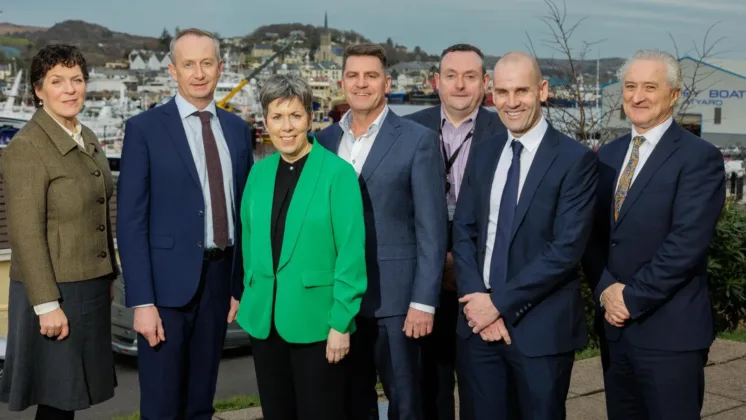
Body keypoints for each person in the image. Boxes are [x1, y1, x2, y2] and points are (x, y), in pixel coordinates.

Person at [116, 28, 254, 419]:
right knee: (161, 405)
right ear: (173, 71)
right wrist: (142, 301)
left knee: (200, 402)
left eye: (206, 63)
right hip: (164, 292)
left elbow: (244, 214)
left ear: (220, 68)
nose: (198, 72)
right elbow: (130, 221)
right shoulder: (144, 129)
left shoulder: (237, 130)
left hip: (219, 283)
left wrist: (239, 284)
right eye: (188, 64)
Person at [452, 52, 598, 420]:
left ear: (543, 90)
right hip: (477, 330)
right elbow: (464, 231)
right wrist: (477, 306)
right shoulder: (484, 154)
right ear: (491, 92)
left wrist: (496, 304)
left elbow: (565, 250)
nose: (511, 102)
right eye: (502, 92)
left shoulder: (575, 160)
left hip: (540, 331)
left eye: (522, 91)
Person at [583, 50, 725, 420]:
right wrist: (605, 289)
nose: (637, 96)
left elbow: (686, 244)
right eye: (630, 86)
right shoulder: (607, 156)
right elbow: (591, 235)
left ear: (674, 95)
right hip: (615, 330)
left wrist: (631, 297)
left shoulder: (699, 158)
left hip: (670, 334)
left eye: (650, 87)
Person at [315, 43, 448, 420]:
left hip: (397, 302)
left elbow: (432, 229)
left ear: (386, 83)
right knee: (351, 403)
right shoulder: (323, 143)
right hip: (340, 302)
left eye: (371, 76)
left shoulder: (417, 140)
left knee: (406, 404)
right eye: (353, 76)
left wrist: (423, 301)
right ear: (342, 82)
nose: (361, 84)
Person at [235, 74, 367, 420]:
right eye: (277, 117)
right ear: (265, 122)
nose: (287, 127)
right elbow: (250, 242)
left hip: (319, 324)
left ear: (310, 118)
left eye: (295, 115)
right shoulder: (258, 174)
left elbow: (351, 254)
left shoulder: (337, 174)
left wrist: (341, 323)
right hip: (265, 322)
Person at [0, 44, 118, 420]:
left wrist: (108, 272)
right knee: (57, 402)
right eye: (57, 81)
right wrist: (47, 304)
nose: (70, 89)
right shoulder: (27, 146)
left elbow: (97, 211)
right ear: (38, 90)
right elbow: (25, 231)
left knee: (70, 400)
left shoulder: (86, 135)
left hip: (88, 285)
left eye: (77, 80)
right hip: (54, 292)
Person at [405, 43, 505, 420]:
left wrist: (461, 265)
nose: (460, 85)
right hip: (421, 282)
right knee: (428, 386)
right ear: (436, 82)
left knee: (484, 389)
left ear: (485, 83)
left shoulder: (504, 129)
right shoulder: (409, 127)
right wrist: (436, 264)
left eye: (470, 76)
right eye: (451, 76)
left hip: (483, 283)